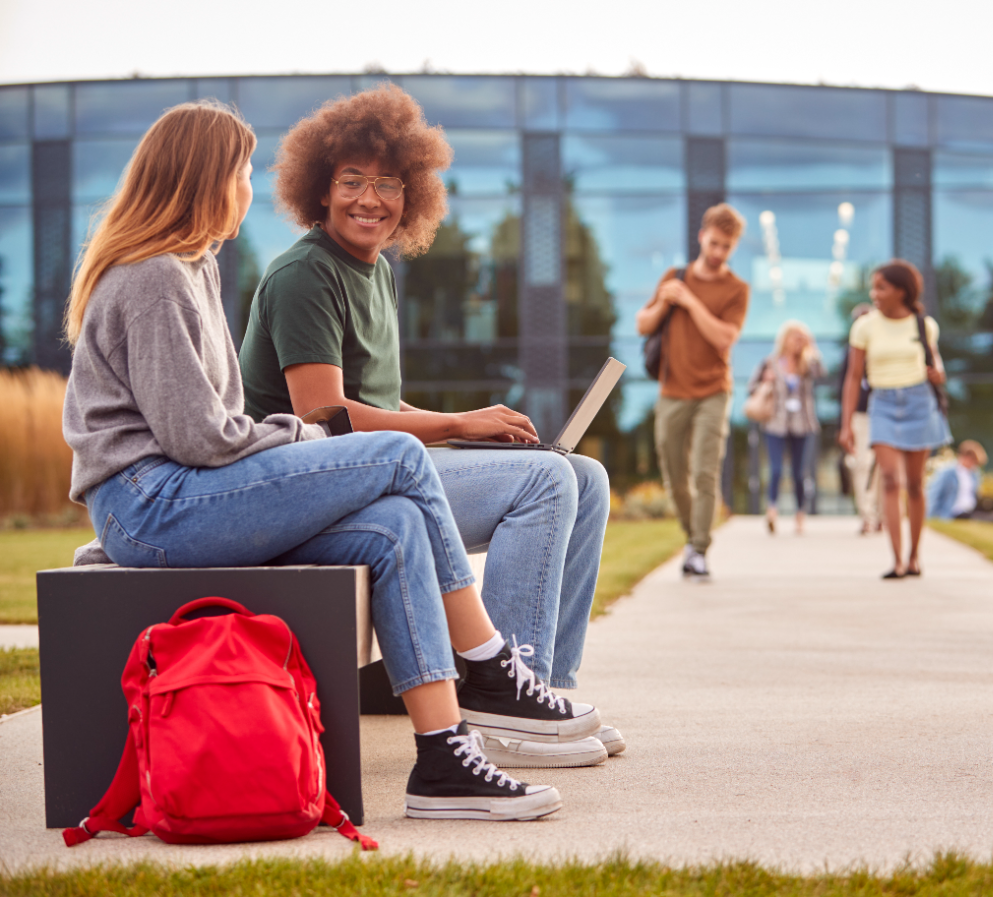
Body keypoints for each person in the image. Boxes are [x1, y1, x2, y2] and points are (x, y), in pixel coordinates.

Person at [61, 100, 602, 822]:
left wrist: (294, 442)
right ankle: (494, 667)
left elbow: (209, 433)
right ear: (207, 179)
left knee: (396, 524)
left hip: (185, 492)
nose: (249, 187)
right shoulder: (154, 275)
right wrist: (307, 440)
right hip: (157, 503)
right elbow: (199, 437)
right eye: (242, 171)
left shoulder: (190, 269)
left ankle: (443, 758)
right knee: (402, 459)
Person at [236, 85, 620, 766]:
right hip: (321, 487)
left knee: (584, 478)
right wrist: (455, 421)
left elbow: (382, 400)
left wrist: (476, 430)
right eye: (351, 180)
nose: (369, 199)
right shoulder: (303, 276)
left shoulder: (375, 271)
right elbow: (322, 414)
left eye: (387, 183)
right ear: (318, 190)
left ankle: (546, 693)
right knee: (544, 484)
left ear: (410, 195)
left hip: (376, 468)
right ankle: (499, 707)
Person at [635, 204, 750, 579]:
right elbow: (643, 323)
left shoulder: (737, 289)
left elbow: (724, 338)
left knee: (705, 472)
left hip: (714, 392)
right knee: (673, 472)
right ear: (702, 236)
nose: (718, 252)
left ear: (734, 247)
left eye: (726, 247)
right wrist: (668, 300)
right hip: (672, 390)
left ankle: (699, 549)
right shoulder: (675, 276)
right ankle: (691, 538)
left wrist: (690, 302)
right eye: (714, 243)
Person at [838, 260, 952, 579]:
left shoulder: (923, 324)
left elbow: (936, 362)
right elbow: (852, 377)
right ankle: (897, 560)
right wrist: (846, 424)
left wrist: (939, 373)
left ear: (901, 291)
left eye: (881, 287)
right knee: (891, 479)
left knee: (915, 484)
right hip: (883, 403)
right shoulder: (864, 326)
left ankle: (914, 556)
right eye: (873, 287)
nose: (874, 294)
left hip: (919, 401)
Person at [747, 320, 824, 535]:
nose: (798, 342)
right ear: (785, 339)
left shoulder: (808, 363)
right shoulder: (770, 363)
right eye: (795, 337)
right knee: (776, 469)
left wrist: (812, 346)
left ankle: (800, 514)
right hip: (776, 424)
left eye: (802, 338)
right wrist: (765, 381)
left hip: (803, 424)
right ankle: (772, 510)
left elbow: (821, 372)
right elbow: (751, 387)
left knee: (800, 472)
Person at [836, 303, 882, 535]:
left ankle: (883, 514)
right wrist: (845, 425)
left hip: (884, 412)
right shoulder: (851, 351)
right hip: (860, 414)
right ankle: (867, 516)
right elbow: (846, 386)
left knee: (885, 467)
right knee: (862, 465)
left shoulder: (884, 346)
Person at [928, 440, 988, 520]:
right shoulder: (947, 472)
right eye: (973, 461)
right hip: (952, 513)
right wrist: (931, 516)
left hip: (970, 512)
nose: (974, 465)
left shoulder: (974, 474)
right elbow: (934, 495)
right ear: (965, 456)